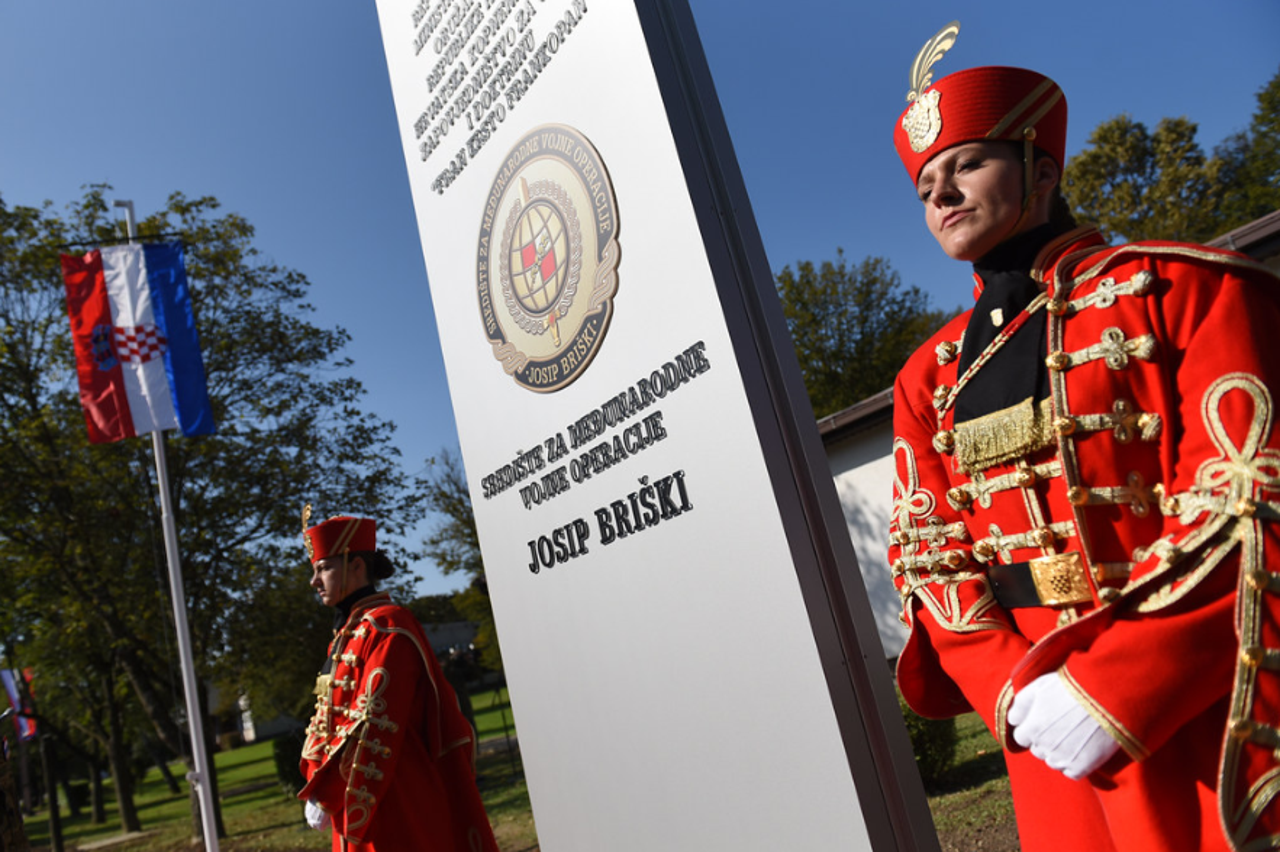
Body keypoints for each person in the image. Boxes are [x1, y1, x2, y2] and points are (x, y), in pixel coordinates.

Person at [887, 22, 1280, 852]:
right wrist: (1010, 689)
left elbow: (1251, 496)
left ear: (1042, 168)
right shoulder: (927, 376)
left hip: (1197, 696)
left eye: (967, 166)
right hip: (1039, 718)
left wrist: (1121, 684)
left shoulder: (1177, 287)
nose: (943, 196)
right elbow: (929, 549)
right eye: (926, 186)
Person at [297, 508, 499, 852]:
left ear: (356, 566)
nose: (314, 581)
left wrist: (327, 790)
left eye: (323, 569)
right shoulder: (347, 632)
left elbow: (375, 718)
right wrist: (318, 781)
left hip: (391, 792)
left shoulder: (390, 625)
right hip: (351, 793)